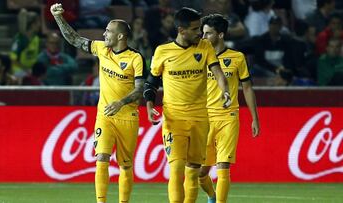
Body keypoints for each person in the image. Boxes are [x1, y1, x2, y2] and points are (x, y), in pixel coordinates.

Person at [50, 3, 146, 203]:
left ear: (120, 36)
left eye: (108, 31)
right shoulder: (102, 49)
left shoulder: (135, 58)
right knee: (101, 158)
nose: (104, 34)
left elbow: (139, 90)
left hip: (127, 116)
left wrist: (121, 102)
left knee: (126, 166)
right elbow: (75, 40)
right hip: (105, 115)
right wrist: (58, 17)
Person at [143, 7, 231, 203]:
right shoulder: (162, 52)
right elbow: (151, 83)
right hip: (174, 119)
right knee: (176, 169)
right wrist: (149, 107)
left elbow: (218, 73)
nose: (200, 33)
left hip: (200, 118)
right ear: (181, 30)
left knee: (193, 172)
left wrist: (225, 90)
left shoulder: (205, 47)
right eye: (195, 29)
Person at [199, 14, 260, 203]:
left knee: (223, 165)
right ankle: (212, 195)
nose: (203, 38)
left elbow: (247, 88)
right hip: (203, 118)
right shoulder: (197, 57)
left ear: (221, 35)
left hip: (228, 116)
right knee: (201, 173)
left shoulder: (237, 58)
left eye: (208, 34)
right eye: (203, 33)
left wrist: (254, 118)